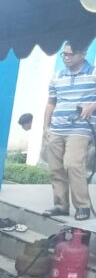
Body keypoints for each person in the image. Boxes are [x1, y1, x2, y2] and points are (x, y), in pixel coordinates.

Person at [44, 38, 96, 220]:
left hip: (80, 128)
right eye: (63, 54)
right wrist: (46, 127)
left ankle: (83, 206)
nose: (66, 57)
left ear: (82, 54)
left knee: (72, 164)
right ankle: (61, 205)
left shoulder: (93, 73)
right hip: (57, 128)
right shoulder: (57, 76)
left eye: (70, 54)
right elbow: (51, 104)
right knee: (55, 168)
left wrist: (93, 105)